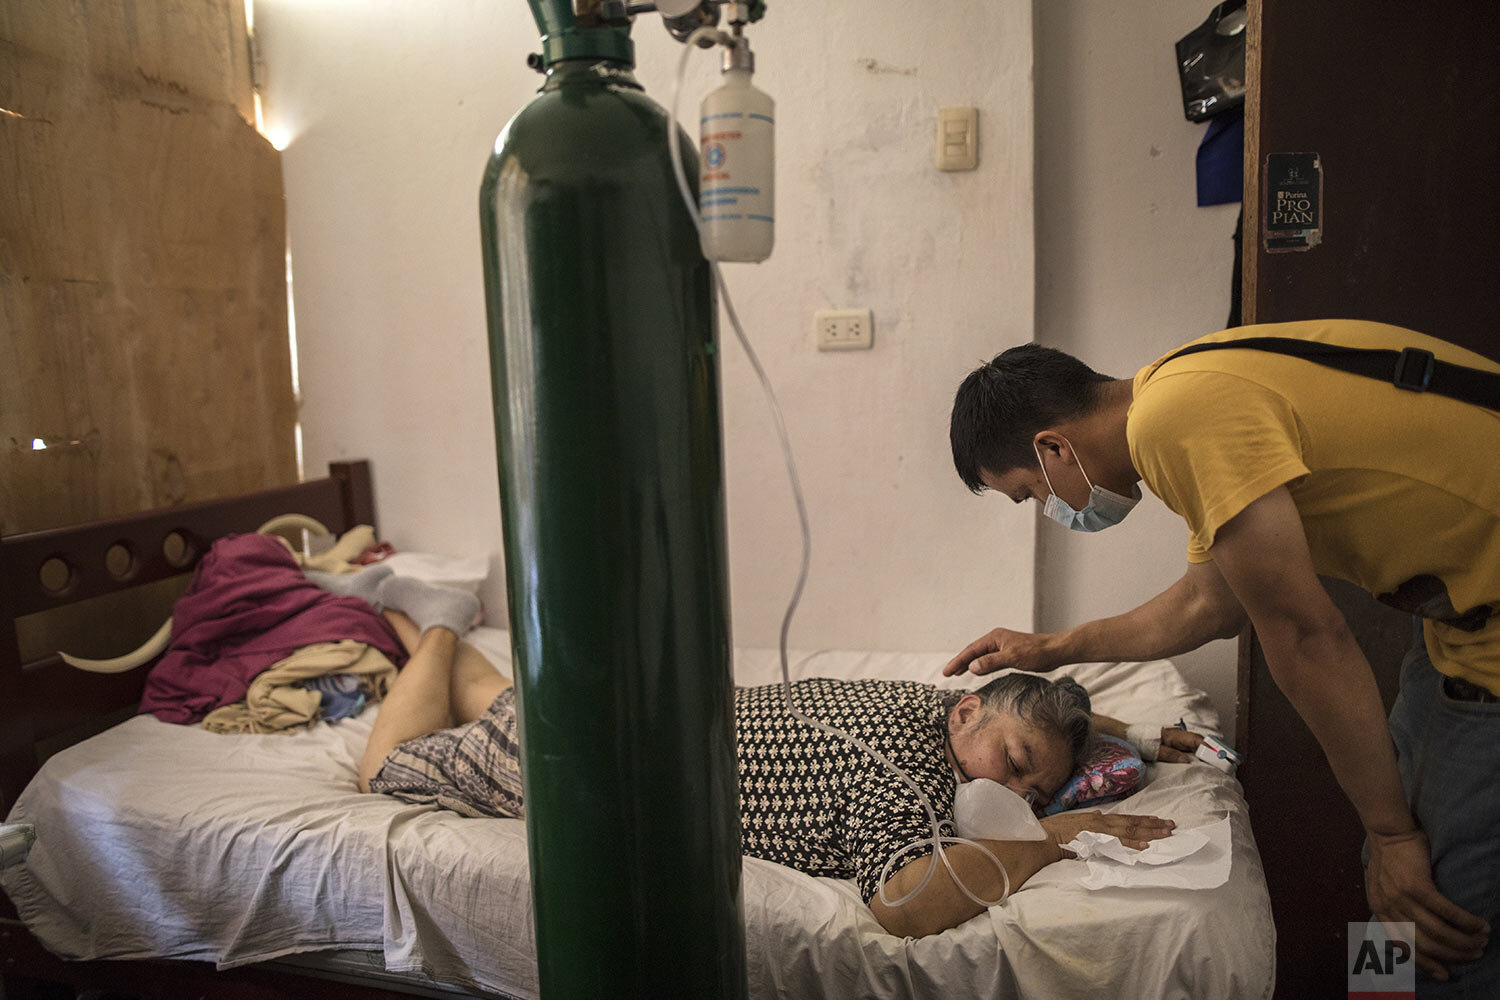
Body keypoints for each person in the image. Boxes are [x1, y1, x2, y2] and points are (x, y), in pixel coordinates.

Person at [943, 318, 1499, 989]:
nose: (1047, 506)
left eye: (1030, 492)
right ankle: (1380, 979)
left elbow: (1304, 635)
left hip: (1486, 643)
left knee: (1433, 907)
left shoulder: (1175, 420)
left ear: (1054, 447)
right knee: (1387, 881)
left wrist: (1392, 834)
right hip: (1448, 631)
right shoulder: (1183, 386)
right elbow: (1208, 604)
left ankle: (1409, 975)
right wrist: (1052, 648)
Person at [345, 572, 1178, 939]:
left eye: (1038, 788)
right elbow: (900, 901)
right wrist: (1053, 840)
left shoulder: (942, 714)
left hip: (632, 712)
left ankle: (421, 628)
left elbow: (1045, 717)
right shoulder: (905, 771)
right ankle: (447, 619)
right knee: (383, 771)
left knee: (509, 697)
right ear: (969, 712)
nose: (1022, 790)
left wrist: (1128, 734)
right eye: (1018, 760)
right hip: (583, 760)